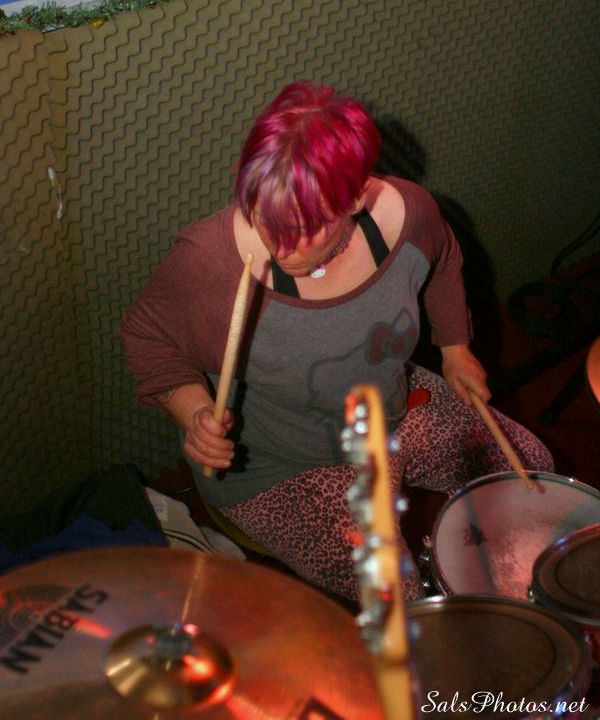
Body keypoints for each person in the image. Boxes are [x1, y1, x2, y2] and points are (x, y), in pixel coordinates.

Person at [121, 81, 553, 602]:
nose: (278, 245)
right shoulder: (207, 262)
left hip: (393, 412)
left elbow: (443, 261)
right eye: (262, 213)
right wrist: (193, 412)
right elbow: (147, 337)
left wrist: (454, 347)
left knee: (531, 474)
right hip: (281, 463)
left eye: (304, 227)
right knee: (394, 592)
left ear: (355, 197)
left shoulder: (409, 215)